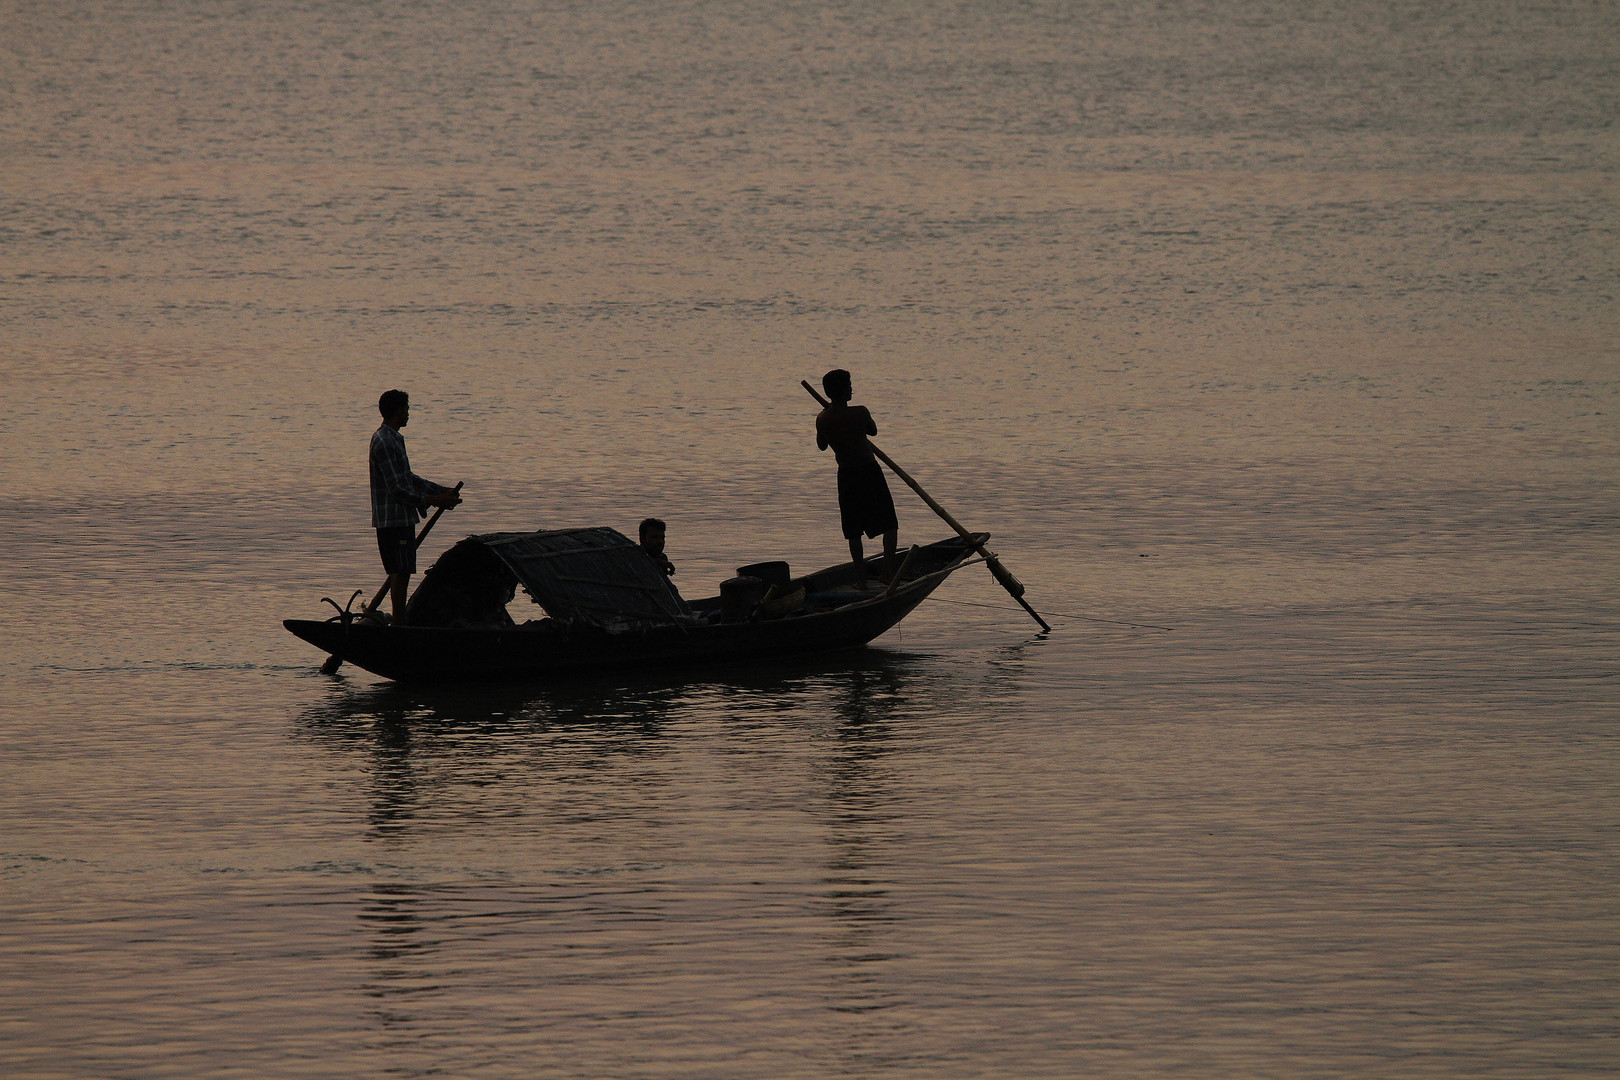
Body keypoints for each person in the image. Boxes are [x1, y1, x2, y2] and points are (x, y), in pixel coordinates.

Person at [370, 389, 461, 624]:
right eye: (407, 409)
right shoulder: (385, 441)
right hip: (394, 520)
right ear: (398, 410)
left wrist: (440, 490)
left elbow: (408, 478)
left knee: (402, 571)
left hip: (401, 519)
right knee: (400, 572)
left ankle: (399, 622)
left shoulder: (394, 439)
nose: (408, 414)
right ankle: (399, 625)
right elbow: (397, 490)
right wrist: (434, 500)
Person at [815, 368, 898, 587]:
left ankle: (861, 579)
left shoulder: (822, 419)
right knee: (889, 523)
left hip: (846, 476)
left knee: (853, 530)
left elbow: (822, 445)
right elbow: (873, 431)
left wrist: (830, 421)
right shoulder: (860, 412)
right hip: (869, 472)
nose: (852, 388)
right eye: (849, 385)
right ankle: (887, 574)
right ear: (843, 390)